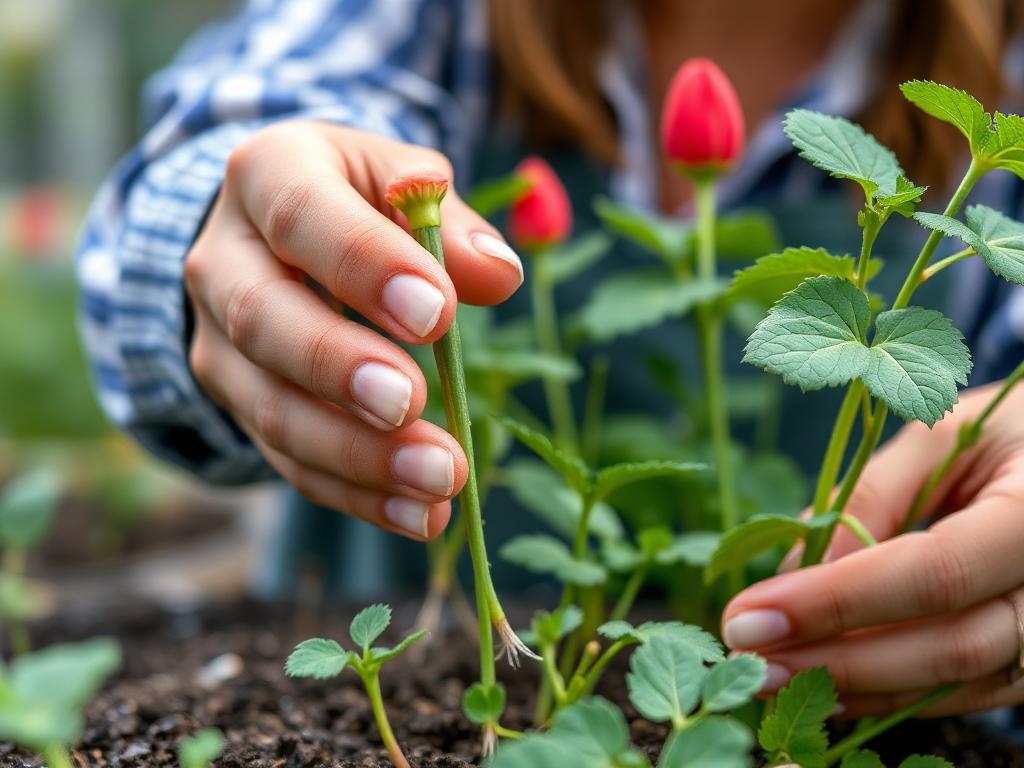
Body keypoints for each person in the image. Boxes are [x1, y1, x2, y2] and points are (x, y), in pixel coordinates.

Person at [76, 0, 1024, 717]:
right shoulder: (439, 20)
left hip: (852, 694)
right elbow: (252, 112)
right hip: (380, 647)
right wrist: (233, 240)